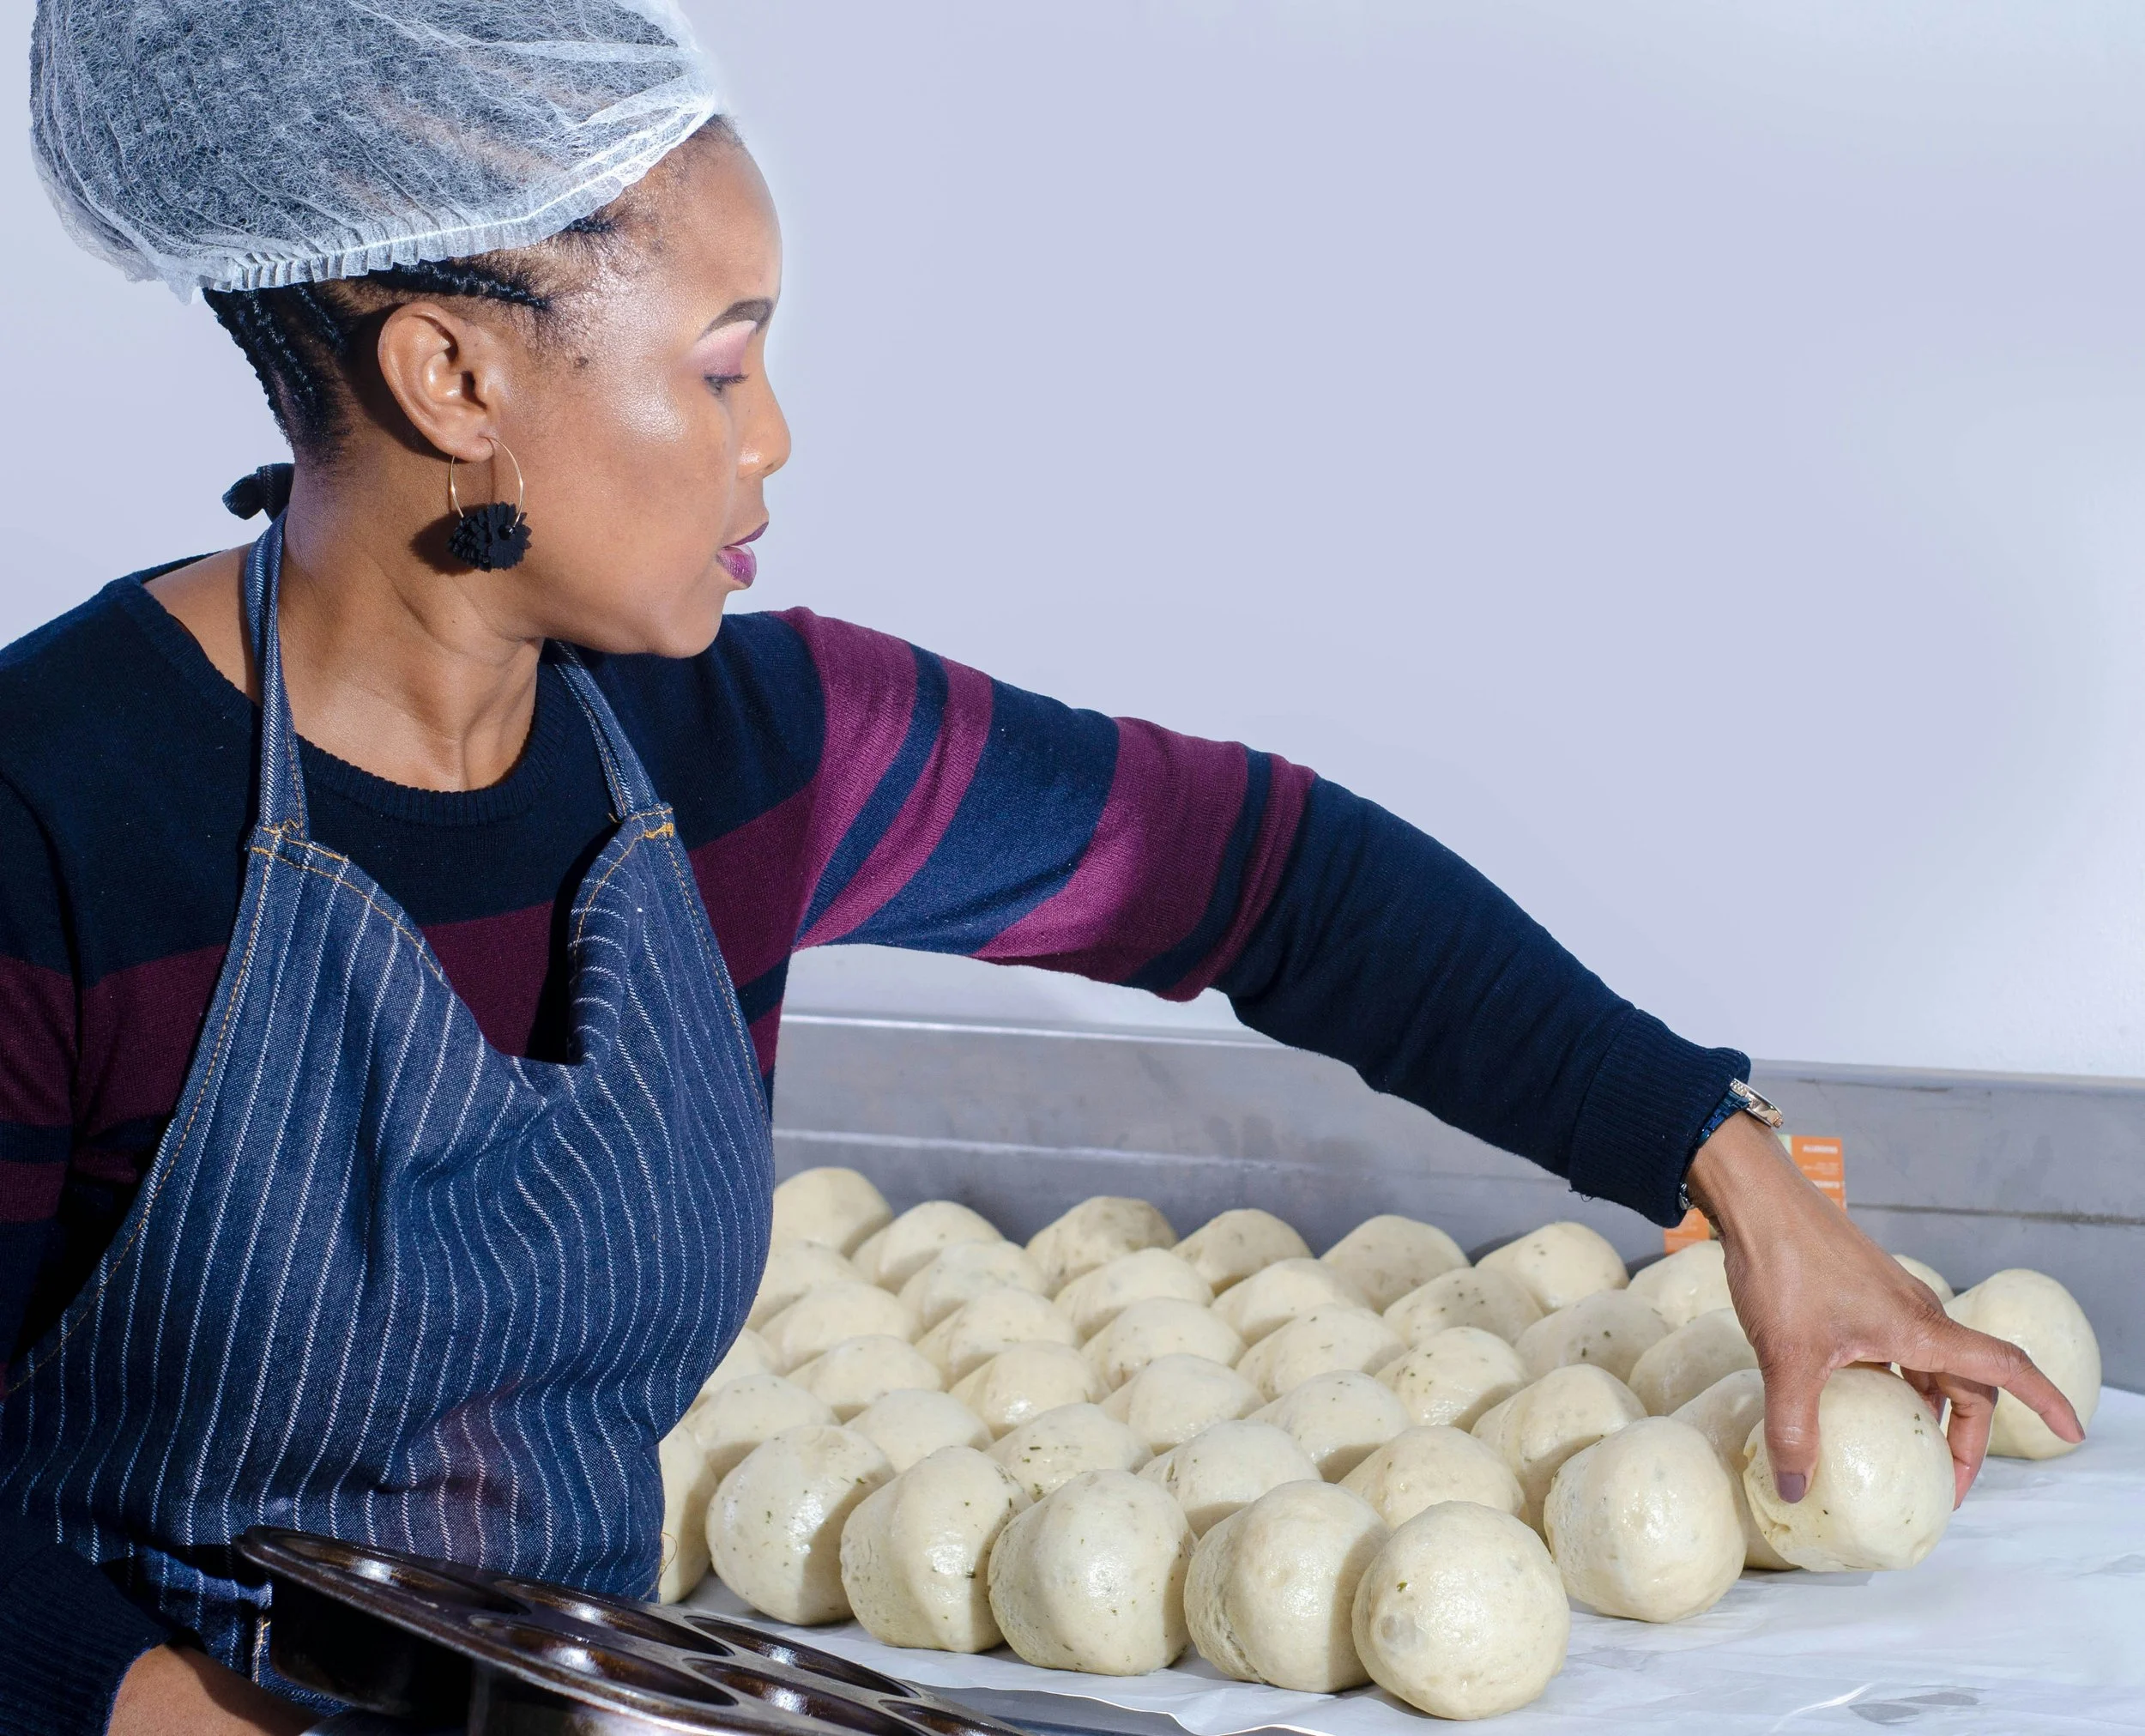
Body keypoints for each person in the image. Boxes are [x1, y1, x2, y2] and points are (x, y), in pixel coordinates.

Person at [2, 3, 2080, 1732]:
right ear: (456, 377)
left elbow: (1270, 884)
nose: (774, 440)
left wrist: (1739, 1182)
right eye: (718, 365)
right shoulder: (56, 817)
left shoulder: (750, 749)